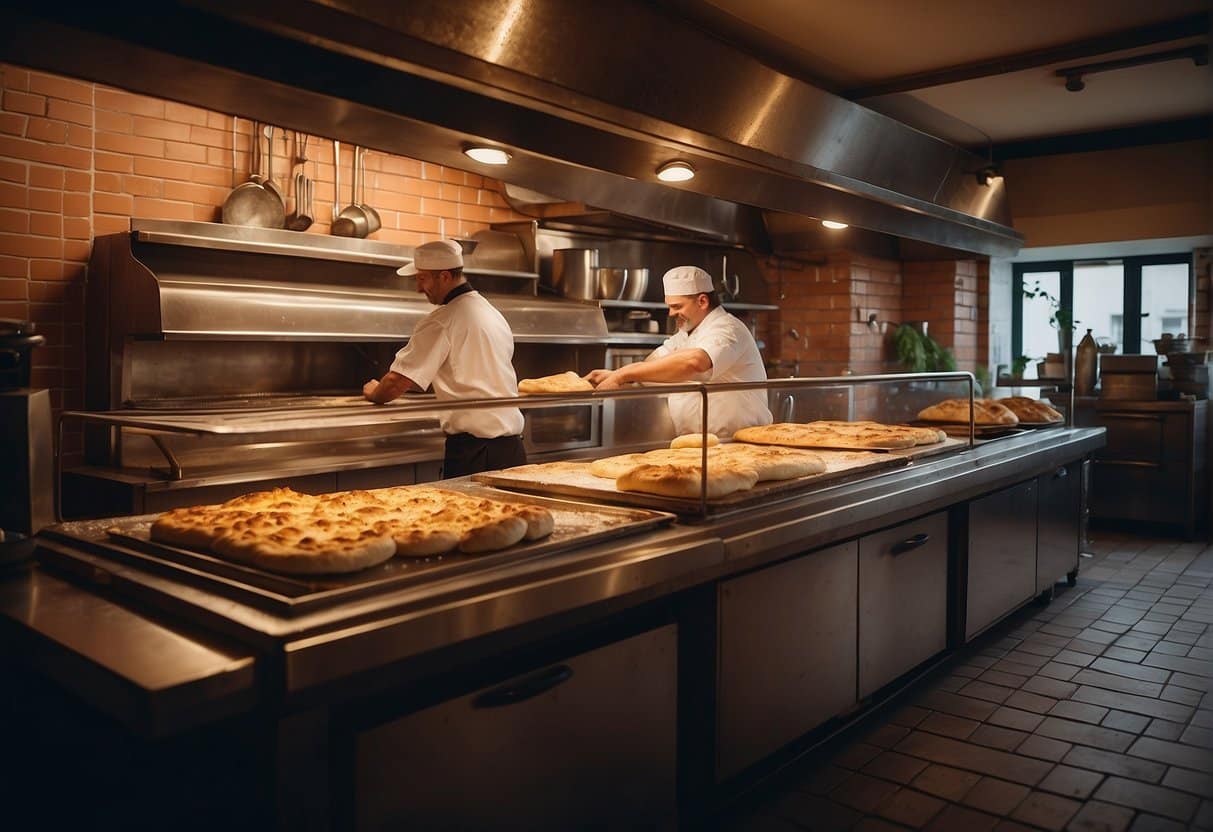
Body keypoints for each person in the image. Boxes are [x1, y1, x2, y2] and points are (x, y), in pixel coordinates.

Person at [363, 239, 526, 477]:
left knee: (466, 515)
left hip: (476, 453)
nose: (418, 288)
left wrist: (374, 392)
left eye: (422, 279)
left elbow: (397, 382)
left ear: (445, 277)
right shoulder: (490, 311)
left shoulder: (443, 319)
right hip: (511, 450)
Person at [585, 265, 772, 438]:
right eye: (669, 307)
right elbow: (653, 367)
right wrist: (615, 375)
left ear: (702, 301)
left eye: (677, 306)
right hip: (696, 445)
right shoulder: (685, 335)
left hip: (737, 443)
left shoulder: (728, 328)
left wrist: (624, 374)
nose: (671, 313)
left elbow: (695, 362)